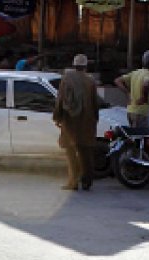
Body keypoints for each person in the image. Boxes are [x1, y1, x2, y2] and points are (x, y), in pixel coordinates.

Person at [53, 54, 101, 191]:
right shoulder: (90, 81)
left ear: (74, 65)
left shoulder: (66, 78)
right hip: (87, 121)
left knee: (70, 151)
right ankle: (87, 182)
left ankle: (73, 182)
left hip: (70, 121)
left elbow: (60, 100)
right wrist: (95, 120)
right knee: (86, 152)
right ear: (85, 66)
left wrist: (57, 117)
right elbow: (95, 103)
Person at [114, 50, 149, 128]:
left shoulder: (135, 73)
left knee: (134, 136)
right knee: (141, 137)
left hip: (130, 111)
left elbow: (117, 80)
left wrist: (127, 93)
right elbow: (146, 84)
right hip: (140, 112)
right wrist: (143, 98)